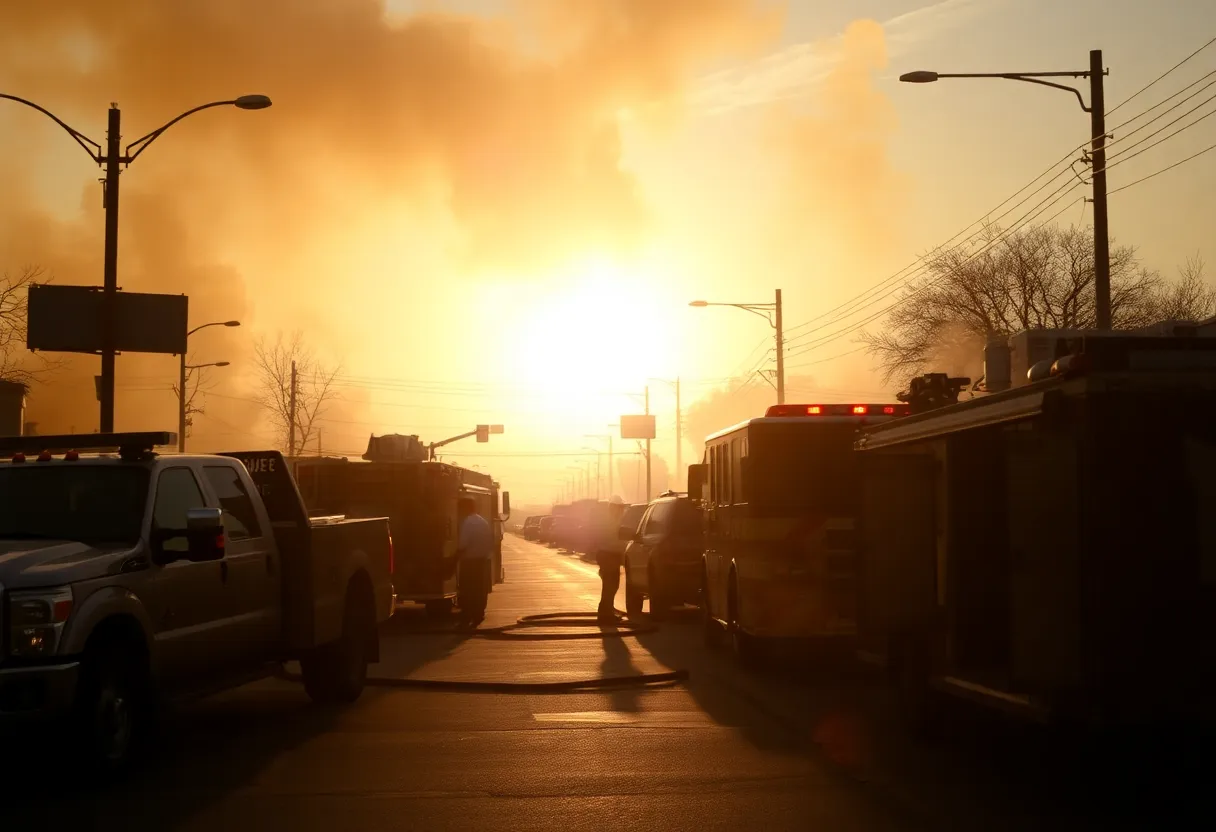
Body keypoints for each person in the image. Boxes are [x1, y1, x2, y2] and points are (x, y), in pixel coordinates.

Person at [455, 496, 494, 627]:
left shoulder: (468, 523)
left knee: (467, 590)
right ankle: (478, 614)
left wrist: (453, 559)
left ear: (465, 508)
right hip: (482, 561)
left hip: (470, 562)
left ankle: (466, 618)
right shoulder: (482, 522)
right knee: (479, 590)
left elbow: (463, 545)